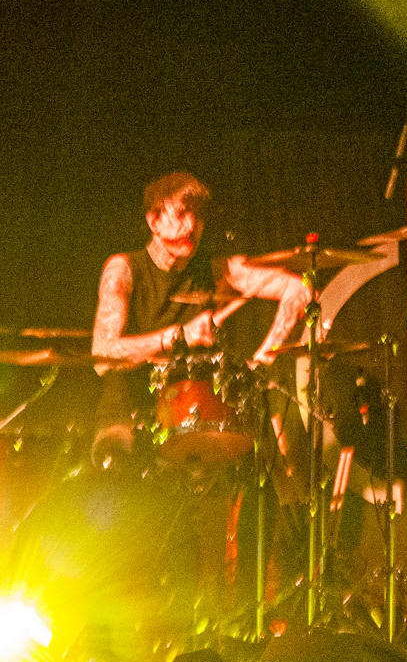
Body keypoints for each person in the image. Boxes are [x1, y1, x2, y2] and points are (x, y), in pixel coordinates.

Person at [89, 171, 314, 464]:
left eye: (198, 217)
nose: (192, 225)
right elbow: (102, 353)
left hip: (198, 415)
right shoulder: (123, 268)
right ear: (153, 221)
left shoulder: (218, 270)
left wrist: (264, 358)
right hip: (127, 413)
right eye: (181, 214)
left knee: (259, 467)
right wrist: (179, 335)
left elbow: (299, 288)